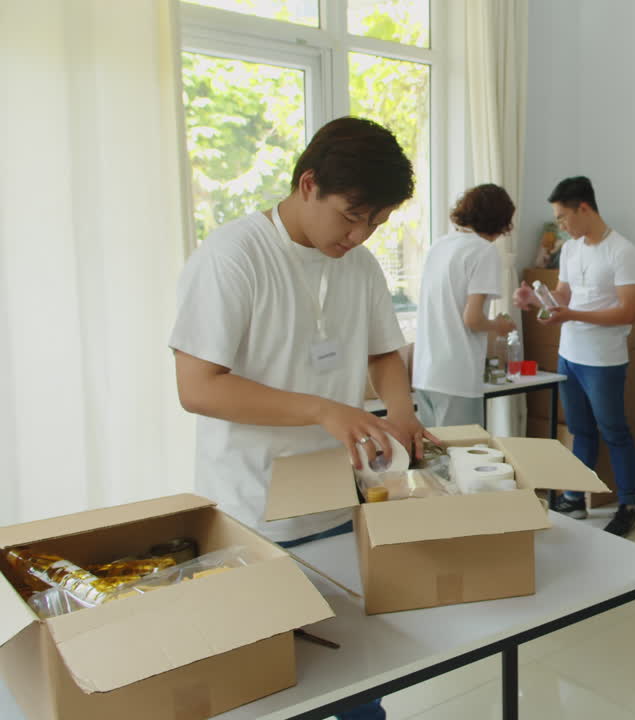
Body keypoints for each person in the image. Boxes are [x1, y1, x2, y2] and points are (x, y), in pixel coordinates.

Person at [170, 116, 436, 720]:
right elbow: (197, 387)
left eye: (379, 222)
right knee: (275, 691)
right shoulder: (233, 256)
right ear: (309, 184)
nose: (362, 234)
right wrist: (323, 409)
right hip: (250, 513)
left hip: (339, 509)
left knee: (360, 683)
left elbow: (381, 353)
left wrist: (402, 415)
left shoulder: (359, 267)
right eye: (352, 214)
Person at [513, 176, 635, 537]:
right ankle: (574, 496)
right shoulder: (570, 250)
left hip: (604, 359)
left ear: (584, 208)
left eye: (563, 218)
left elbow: (629, 312)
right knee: (579, 430)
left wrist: (572, 316)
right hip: (569, 353)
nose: (561, 226)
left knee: (614, 431)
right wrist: (534, 301)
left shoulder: (622, 251)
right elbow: (563, 297)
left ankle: (628, 503)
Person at [412, 184, 518, 427]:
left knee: (435, 457)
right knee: (465, 457)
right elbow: (472, 319)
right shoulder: (483, 251)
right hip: (455, 374)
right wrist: (499, 325)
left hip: (425, 372)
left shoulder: (440, 245)